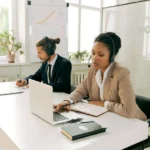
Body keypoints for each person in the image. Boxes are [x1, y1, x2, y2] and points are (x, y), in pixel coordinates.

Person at [54, 32, 147, 120]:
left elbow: (129, 111)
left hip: (134, 123)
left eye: (101, 55)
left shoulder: (122, 73)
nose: (94, 58)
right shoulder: (93, 70)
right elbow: (81, 90)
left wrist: (105, 104)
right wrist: (67, 101)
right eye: (93, 53)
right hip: (107, 118)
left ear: (112, 56)